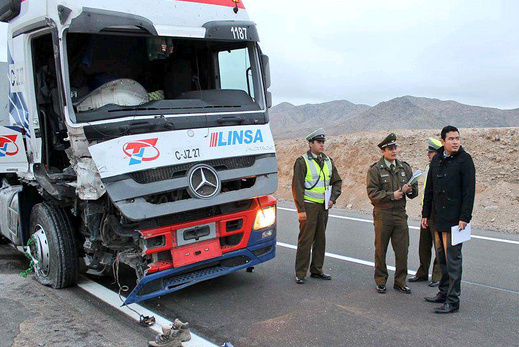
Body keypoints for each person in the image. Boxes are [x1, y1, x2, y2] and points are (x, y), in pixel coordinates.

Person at [422, 125, 476, 314]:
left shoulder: (465, 160)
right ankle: (443, 292)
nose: (455, 142)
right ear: (443, 141)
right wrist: (425, 214)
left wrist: (464, 217)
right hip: (437, 218)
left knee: (453, 261)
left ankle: (453, 300)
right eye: (451, 139)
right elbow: (429, 189)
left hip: (455, 221)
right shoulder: (436, 160)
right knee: (442, 258)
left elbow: (469, 192)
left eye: (457, 138)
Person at [367, 133, 418, 294]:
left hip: (400, 214)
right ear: (383, 150)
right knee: (381, 249)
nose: (394, 151)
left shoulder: (404, 167)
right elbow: (372, 193)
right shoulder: (375, 169)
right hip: (383, 214)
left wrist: (410, 190)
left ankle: (400, 281)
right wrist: (391, 195)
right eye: (390, 148)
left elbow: (414, 191)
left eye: (395, 147)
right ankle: (381, 280)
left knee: (402, 249)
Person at [292, 128, 342, 284]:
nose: (322, 145)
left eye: (323, 142)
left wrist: (333, 199)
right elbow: (297, 187)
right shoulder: (302, 161)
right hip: (309, 206)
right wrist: (300, 210)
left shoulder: (328, 161)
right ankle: (300, 272)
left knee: (320, 239)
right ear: (310, 143)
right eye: (319, 142)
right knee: (306, 240)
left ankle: (317, 270)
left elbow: (337, 182)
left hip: (323, 207)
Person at [408, 137, 442, 287]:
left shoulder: (443, 167)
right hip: (427, 212)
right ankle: (422, 273)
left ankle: (437, 276)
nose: (428, 154)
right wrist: (424, 214)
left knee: (439, 246)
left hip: (438, 214)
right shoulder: (430, 167)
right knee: (424, 245)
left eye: (431, 152)